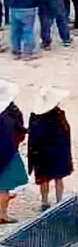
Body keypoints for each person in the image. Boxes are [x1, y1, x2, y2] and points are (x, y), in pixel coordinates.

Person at [28, 86, 72, 210]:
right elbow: (65, 134)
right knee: (58, 178)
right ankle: (59, 201)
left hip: (42, 153)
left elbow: (34, 137)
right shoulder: (59, 115)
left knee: (44, 179)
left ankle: (45, 202)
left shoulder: (36, 117)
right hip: (58, 152)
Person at [0, 81, 28, 224]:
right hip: (6, 154)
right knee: (4, 185)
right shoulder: (7, 116)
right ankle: (2, 214)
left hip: (5, 152)